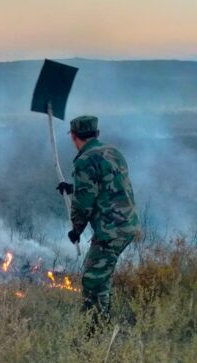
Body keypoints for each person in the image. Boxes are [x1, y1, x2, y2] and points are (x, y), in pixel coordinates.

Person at [56, 115, 140, 322]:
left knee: (92, 280)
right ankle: (102, 321)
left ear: (74, 137)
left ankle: (93, 328)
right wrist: (73, 188)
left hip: (111, 229)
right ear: (97, 134)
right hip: (128, 224)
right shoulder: (114, 152)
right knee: (101, 275)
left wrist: (76, 230)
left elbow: (84, 203)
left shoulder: (84, 160)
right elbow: (107, 184)